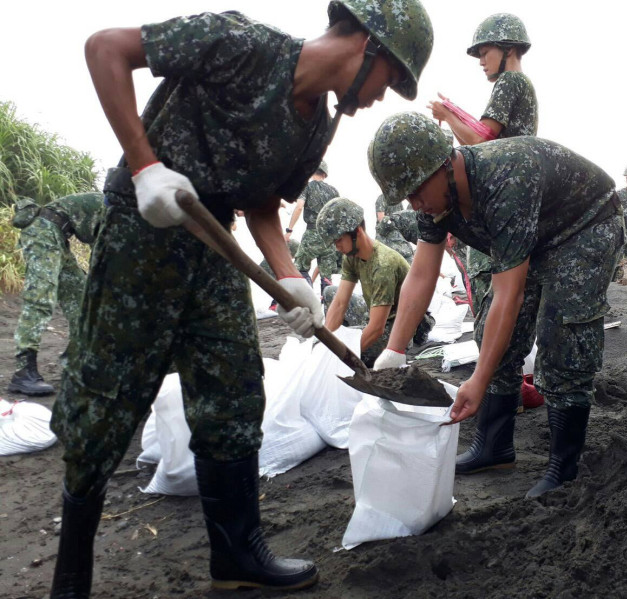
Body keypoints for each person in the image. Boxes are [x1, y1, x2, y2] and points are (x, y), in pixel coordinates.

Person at [48, 2, 433, 597]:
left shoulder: (315, 129)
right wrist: (146, 166)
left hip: (213, 243)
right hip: (141, 231)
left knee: (233, 391)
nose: (385, 95)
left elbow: (261, 205)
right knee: (108, 396)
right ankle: (71, 574)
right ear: (368, 47)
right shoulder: (239, 43)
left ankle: (236, 554)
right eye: (393, 79)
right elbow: (106, 48)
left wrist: (289, 280)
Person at [367, 112, 623, 499]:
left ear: (445, 164)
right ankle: (494, 447)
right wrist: (394, 350)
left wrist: (478, 380)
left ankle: (563, 467)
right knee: (491, 333)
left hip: (585, 226)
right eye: (406, 194)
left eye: (417, 188)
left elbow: (510, 293)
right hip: (538, 235)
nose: (414, 201)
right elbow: (421, 274)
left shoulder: (505, 178)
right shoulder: (434, 201)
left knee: (562, 338)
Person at [428, 13, 537, 316]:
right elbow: (486, 133)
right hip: (514, 201)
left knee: (490, 304)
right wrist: (455, 113)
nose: (480, 60)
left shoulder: (510, 81)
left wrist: (449, 116)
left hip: (499, 201)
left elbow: (480, 143)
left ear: (509, 49)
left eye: (485, 51)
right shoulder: (520, 84)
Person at [316, 197, 433, 367]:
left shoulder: (383, 264)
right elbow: (340, 303)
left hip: (398, 327)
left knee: (345, 352)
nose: (337, 247)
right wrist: (326, 345)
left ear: (356, 232)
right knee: (330, 293)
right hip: (377, 313)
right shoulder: (351, 257)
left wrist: (342, 358)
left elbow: (377, 328)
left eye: (339, 240)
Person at [8, 192, 105, 396]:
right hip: (43, 232)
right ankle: (23, 372)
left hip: (58, 237)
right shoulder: (114, 209)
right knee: (39, 300)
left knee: (82, 299)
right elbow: (102, 256)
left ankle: (79, 364)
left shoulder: (115, 209)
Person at [285, 160, 340, 295]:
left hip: (312, 234)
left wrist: (289, 229)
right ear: (325, 174)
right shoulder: (334, 191)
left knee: (300, 269)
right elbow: (339, 213)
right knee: (326, 277)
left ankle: (308, 303)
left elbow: (299, 207)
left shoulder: (307, 187)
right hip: (329, 237)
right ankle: (329, 310)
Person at [375, 194, 414, 263]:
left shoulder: (396, 201)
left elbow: (401, 217)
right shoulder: (382, 199)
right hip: (385, 237)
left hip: (397, 236)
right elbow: (381, 218)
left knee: (408, 256)